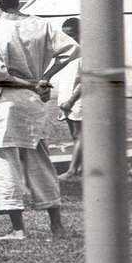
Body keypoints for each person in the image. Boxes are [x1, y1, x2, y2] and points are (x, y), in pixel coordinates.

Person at [0, 0, 79, 240]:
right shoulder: (41, 25)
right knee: (39, 160)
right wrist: (43, 78)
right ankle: (56, 225)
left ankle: (17, 228)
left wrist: (33, 82)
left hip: (5, 104)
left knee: (6, 163)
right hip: (33, 103)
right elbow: (72, 50)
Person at [56, 17, 83, 181]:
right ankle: (80, 167)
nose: (69, 39)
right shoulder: (67, 51)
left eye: (72, 35)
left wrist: (72, 100)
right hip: (66, 99)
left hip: (78, 99)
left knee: (80, 135)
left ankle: (72, 170)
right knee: (75, 135)